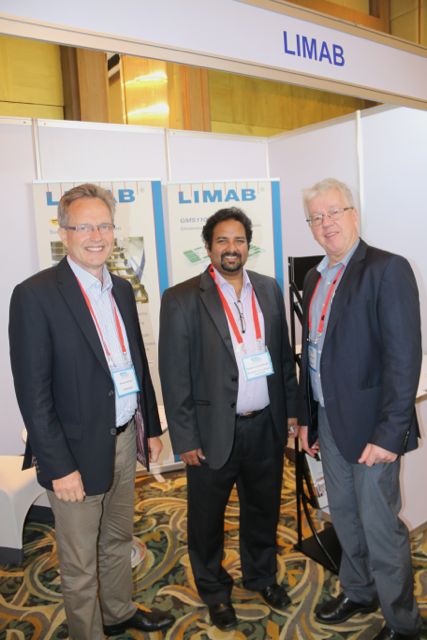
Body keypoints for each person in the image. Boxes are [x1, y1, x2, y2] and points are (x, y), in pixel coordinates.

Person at [9, 184, 174, 640]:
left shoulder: (120, 288)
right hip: (74, 454)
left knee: (118, 539)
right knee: (80, 561)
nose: (96, 236)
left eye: (104, 225)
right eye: (84, 227)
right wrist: (58, 467)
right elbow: (33, 393)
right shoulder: (36, 295)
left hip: (124, 438)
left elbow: (135, 363)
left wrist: (149, 427)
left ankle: (118, 612)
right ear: (64, 232)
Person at [158, 207, 298, 631]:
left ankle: (261, 576)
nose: (231, 248)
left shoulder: (269, 289)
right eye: (222, 241)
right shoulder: (182, 298)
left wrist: (291, 413)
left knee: (263, 509)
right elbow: (174, 375)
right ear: (208, 247)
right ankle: (215, 591)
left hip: (265, 426)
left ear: (248, 246)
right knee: (206, 520)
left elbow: (282, 359)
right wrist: (184, 438)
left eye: (239, 240)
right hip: (212, 432)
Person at [298, 178, 422, 640]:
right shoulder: (314, 277)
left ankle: (403, 622)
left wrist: (390, 434)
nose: (326, 223)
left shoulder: (387, 269)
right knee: (345, 516)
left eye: (334, 212)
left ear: (353, 214)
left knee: (379, 525)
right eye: (316, 217)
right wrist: (307, 420)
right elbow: (312, 355)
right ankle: (359, 590)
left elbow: (404, 358)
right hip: (329, 421)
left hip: (373, 428)